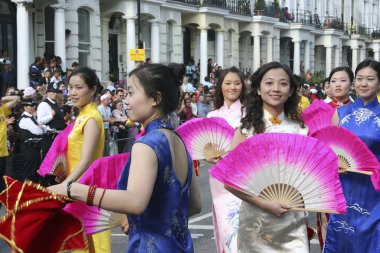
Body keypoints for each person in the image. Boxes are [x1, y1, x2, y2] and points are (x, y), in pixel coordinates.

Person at [49, 63, 202, 252]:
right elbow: (195, 205)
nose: (126, 101)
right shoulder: (178, 140)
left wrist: (73, 189)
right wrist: (150, 220)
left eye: (131, 93)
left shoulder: (146, 144)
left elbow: (135, 202)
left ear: (155, 98)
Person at [226, 62, 308, 252]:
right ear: (258, 89)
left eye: (283, 84)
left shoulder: (302, 131)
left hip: (292, 220)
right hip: (256, 221)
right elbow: (229, 182)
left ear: (291, 90)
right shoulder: (246, 131)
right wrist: (265, 204)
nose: (276, 89)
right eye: (269, 83)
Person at [323, 59, 380, 253]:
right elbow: (329, 150)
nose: (364, 84)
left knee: (371, 240)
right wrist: (334, 164)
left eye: (370, 79)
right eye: (360, 79)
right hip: (343, 187)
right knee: (341, 239)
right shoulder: (340, 113)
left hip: (374, 191)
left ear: (379, 83)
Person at [51, 66, 109, 253]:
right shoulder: (82, 115)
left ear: (93, 90)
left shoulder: (91, 118)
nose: (73, 92)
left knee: (89, 243)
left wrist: (66, 185)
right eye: (70, 87)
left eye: (78, 87)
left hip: (85, 188)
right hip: (77, 186)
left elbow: (86, 160)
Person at [206, 66, 246, 253]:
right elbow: (206, 147)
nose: (232, 87)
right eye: (228, 83)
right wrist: (210, 156)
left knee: (239, 229)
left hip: (241, 177)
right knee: (224, 227)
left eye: (237, 83)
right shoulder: (212, 115)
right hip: (218, 179)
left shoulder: (248, 114)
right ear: (220, 86)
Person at [18, 99, 48, 182]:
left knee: (35, 170)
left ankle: (32, 191)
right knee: (29, 171)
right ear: (25, 107)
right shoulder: (25, 119)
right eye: (31, 106)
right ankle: (26, 191)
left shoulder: (32, 118)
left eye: (34, 105)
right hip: (28, 149)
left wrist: (41, 127)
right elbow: (38, 131)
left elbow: (44, 128)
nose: (33, 107)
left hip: (34, 148)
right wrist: (40, 127)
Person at [37, 82, 67, 159]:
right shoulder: (44, 104)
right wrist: (51, 116)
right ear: (47, 93)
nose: (55, 94)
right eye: (52, 92)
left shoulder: (55, 104)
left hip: (59, 136)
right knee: (49, 160)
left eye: (55, 92)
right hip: (50, 136)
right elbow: (40, 121)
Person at [0, 94, 20, 192]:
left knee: (1, 181)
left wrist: (1, 98)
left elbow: (16, 99)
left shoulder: (2, 110)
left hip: (2, 152)